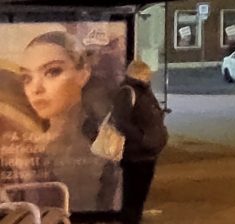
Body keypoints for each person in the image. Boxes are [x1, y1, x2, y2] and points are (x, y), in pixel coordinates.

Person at [19, 30, 116, 212]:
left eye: (52, 72)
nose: (36, 88)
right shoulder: (25, 145)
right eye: (27, 78)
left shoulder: (102, 140)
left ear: (83, 74)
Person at [111, 60, 167, 224]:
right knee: (133, 196)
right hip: (135, 154)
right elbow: (121, 121)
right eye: (146, 73)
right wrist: (142, 137)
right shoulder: (127, 91)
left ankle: (134, 219)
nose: (149, 77)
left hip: (148, 152)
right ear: (138, 74)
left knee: (140, 195)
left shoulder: (144, 91)